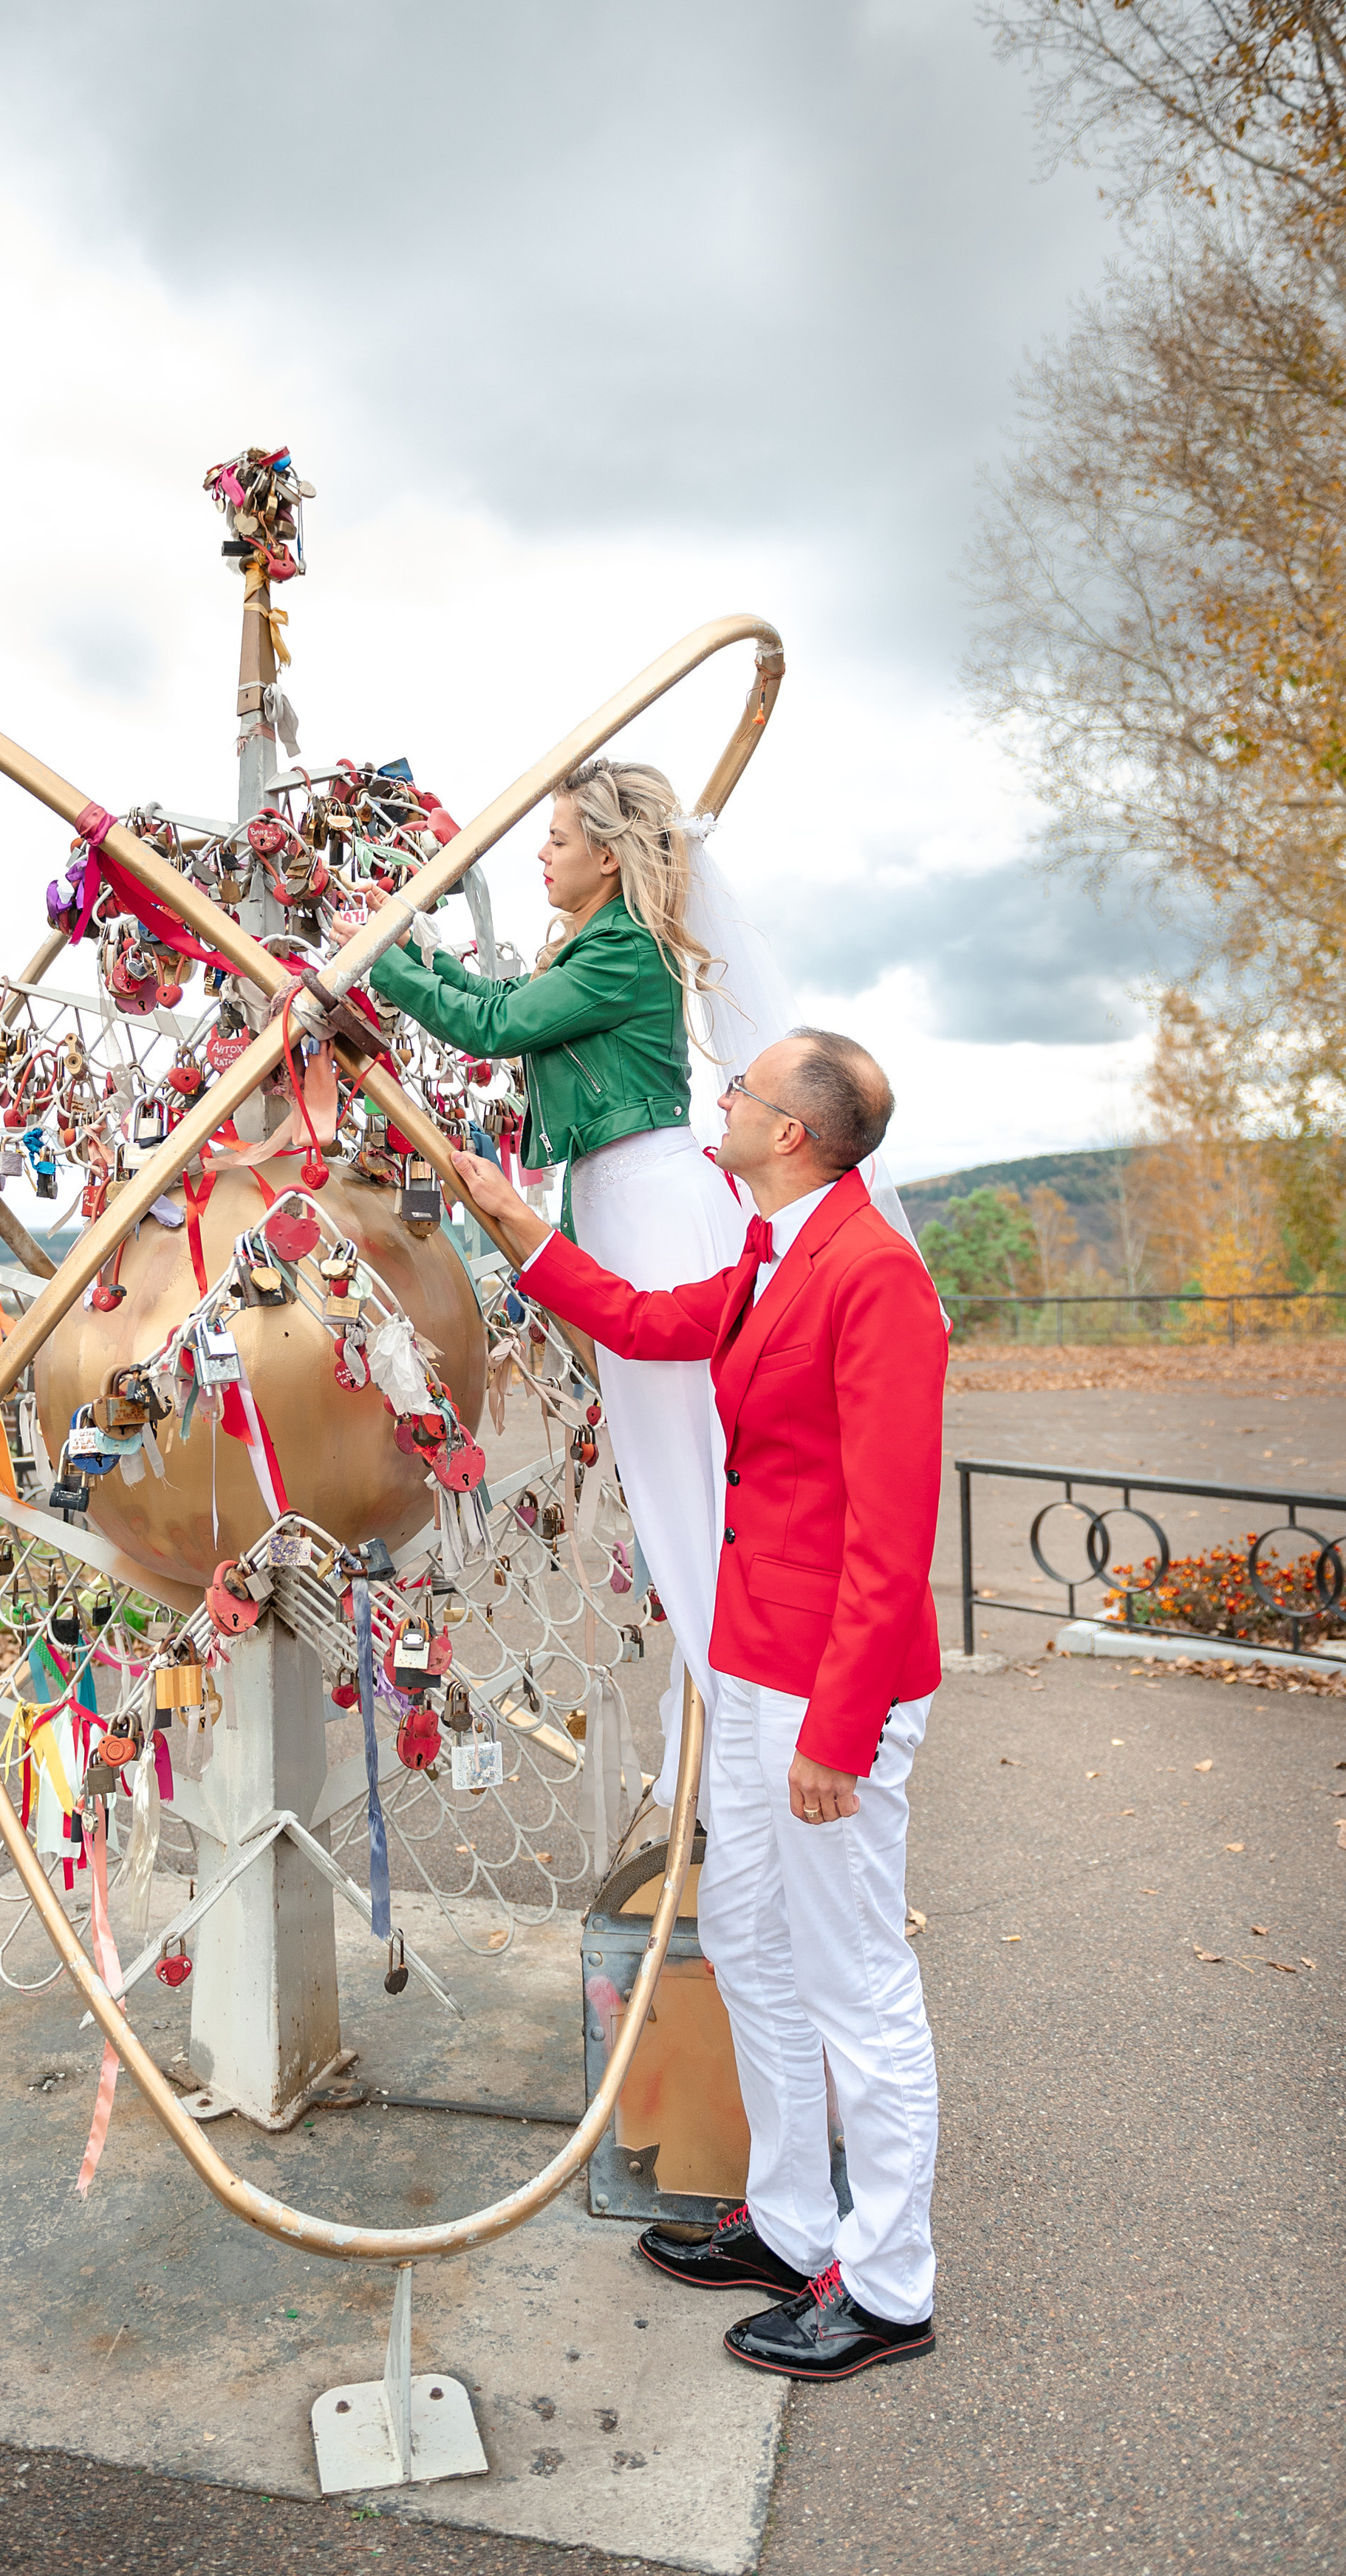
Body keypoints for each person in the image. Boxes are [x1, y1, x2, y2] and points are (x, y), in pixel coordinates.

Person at [451, 1027, 946, 2384]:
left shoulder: (876, 1278)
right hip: (753, 1662)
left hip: (828, 1692)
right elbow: (653, 1326)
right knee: (744, 1933)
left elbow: (894, 1538)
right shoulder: (771, 1247)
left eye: (739, 1089)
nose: (715, 1099)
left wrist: (839, 1736)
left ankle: (891, 2286)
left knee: (858, 1982)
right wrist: (513, 1228)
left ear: (792, 1131)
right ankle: (792, 2228)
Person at [362, 759, 748, 1808]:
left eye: (558, 837)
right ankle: (719, 1749)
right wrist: (400, 953)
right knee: (669, 1480)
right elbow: (498, 1000)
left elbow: (492, 1030)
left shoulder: (624, 946)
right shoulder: (594, 943)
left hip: (653, 1215)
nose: (540, 851)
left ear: (610, 857)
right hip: (617, 1200)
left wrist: (379, 966)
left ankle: (737, 1749)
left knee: (683, 1481)